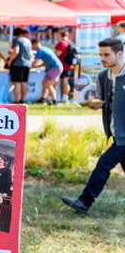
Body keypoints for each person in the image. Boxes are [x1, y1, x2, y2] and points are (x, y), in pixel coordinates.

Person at [62, 37, 125, 214]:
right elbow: (105, 100)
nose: (102, 58)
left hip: (124, 135)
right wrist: (97, 104)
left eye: (107, 54)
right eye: (100, 55)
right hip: (116, 132)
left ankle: (84, 201)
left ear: (119, 54)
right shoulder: (103, 76)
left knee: (104, 163)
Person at [32, 38, 63, 104]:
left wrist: (32, 66)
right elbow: (46, 62)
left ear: (35, 44)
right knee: (45, 83)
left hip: (54, 68)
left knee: (48, 85)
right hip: (56, 67)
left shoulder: (40, 51)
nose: (32, 48)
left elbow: (34, 63)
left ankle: (54, 101)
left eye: (32, 46)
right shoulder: (45, 49)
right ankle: (43, 99)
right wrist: (37, 66)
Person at [7, 28, 33, 103]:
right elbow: (31, 54)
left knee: (17, 83)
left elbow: (16, 52)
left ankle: (16, 100)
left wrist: (10, 60)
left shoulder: (17, 40)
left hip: (18, 63)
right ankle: (22, 100)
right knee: (24, 83)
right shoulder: (28, 41)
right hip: (27, 63)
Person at [55, 29, 75, 103]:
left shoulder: (61, 43)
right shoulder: (70, 42)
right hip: (68, 65)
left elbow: (57, 54)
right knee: (66, 82)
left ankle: (56, 98)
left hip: (62, 65)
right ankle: (65, 98)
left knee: (57, 82)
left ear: (60, 34)